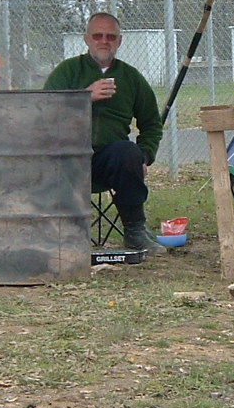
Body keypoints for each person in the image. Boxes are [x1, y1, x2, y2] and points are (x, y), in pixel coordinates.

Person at [44, 13, 164, 254]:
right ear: (87, 39)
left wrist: (145, 155)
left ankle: (134, 230)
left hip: (109, 160)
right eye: (98, 35)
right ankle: (61, 234)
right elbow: (45, 111)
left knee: (128, 152)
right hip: (67, 157)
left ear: (119, 41)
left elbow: (151, 123)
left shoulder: (131, 77)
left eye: (111, 36)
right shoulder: (68, 71)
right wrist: (84, 97)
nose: (104, 41)